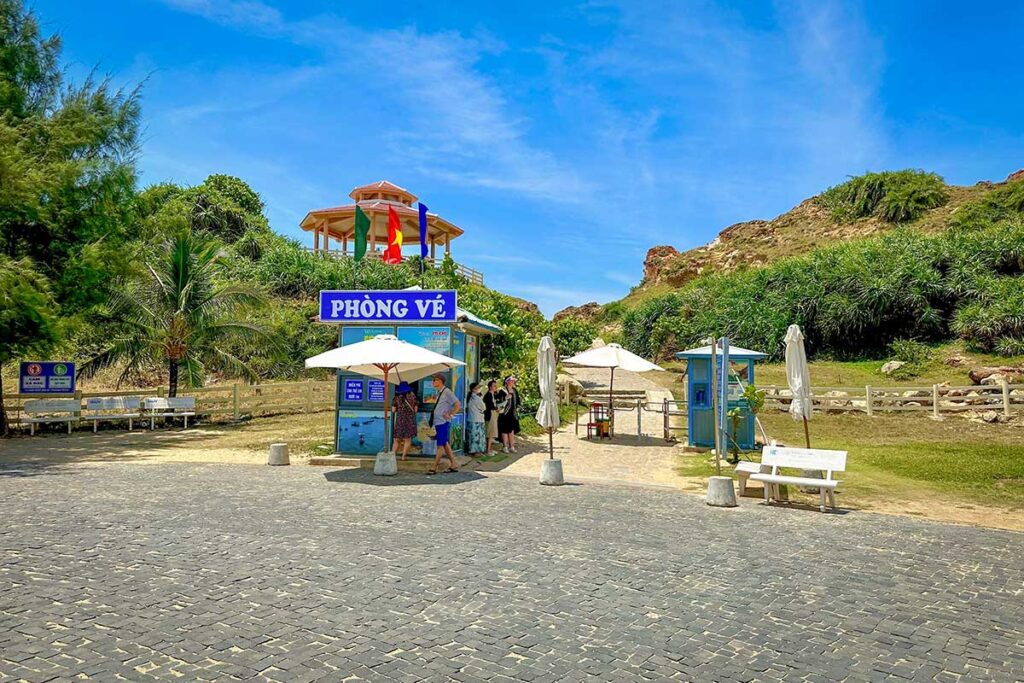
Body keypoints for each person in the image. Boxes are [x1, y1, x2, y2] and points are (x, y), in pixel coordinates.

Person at [427, 373, 460, 475]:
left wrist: (451, 414)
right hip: (438, 421)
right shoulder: (440, 392)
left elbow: (457, 404)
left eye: (435, 380)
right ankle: (453, 463)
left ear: (440, 381)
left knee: (440, 446)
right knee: (444, 443)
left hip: (442, 422)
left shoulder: (447, 392)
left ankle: (434, 467)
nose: (433, 382)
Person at [390, 381, 418, 461]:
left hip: (400, 421)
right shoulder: (413, 397)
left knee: (397, 440)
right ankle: (403, 457)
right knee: (407, 439)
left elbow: (393, 410)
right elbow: (415, 410)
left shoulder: (396, 398)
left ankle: (393, 456)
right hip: (410, 420)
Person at [496, 375, 521, 454]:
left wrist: (518, 407)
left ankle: (511, 446)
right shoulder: (502, 391)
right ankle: (505, 446)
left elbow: (518, 401)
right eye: (511, 380)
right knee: (504, 430)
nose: (513, 382)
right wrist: (505, 398)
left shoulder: (514, 390)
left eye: (514, 380)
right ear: (507, 381)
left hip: (513, 413)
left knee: (511, 430)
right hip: (504, 413)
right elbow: (497, 401)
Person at [465, 382, 487, 455]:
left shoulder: (471, 397)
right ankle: (476, 451)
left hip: (472, 418)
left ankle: (473, 450)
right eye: (478, 388)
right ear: (474, 389)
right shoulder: (476, 398)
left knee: (472, 436)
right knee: (477, 436)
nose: (479, 389)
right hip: (477, 419)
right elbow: (483, 407)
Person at [483, 380, 499, 455]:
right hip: (490, 415)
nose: (496, 387)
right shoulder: (488, 395)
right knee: (490, 433)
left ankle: (491, 449)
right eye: (494, 386)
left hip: (494, 414)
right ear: (490, 387)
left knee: (493, 432)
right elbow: (489, 406)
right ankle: (488, 450)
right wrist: (496, 408)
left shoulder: (494, 394)